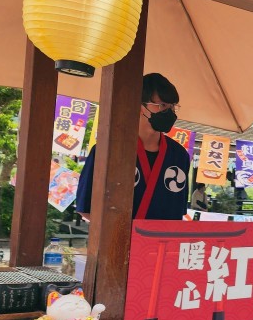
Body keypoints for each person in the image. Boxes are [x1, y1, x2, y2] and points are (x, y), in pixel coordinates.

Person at [76, 73, 190, 221]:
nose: (169, 112)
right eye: (162, 105)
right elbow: (86, 208)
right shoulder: (108, 151)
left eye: (173, 106)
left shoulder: (179, 155)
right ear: (139, 105)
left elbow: (178, 210)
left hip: (163, 243)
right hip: (118, 242)